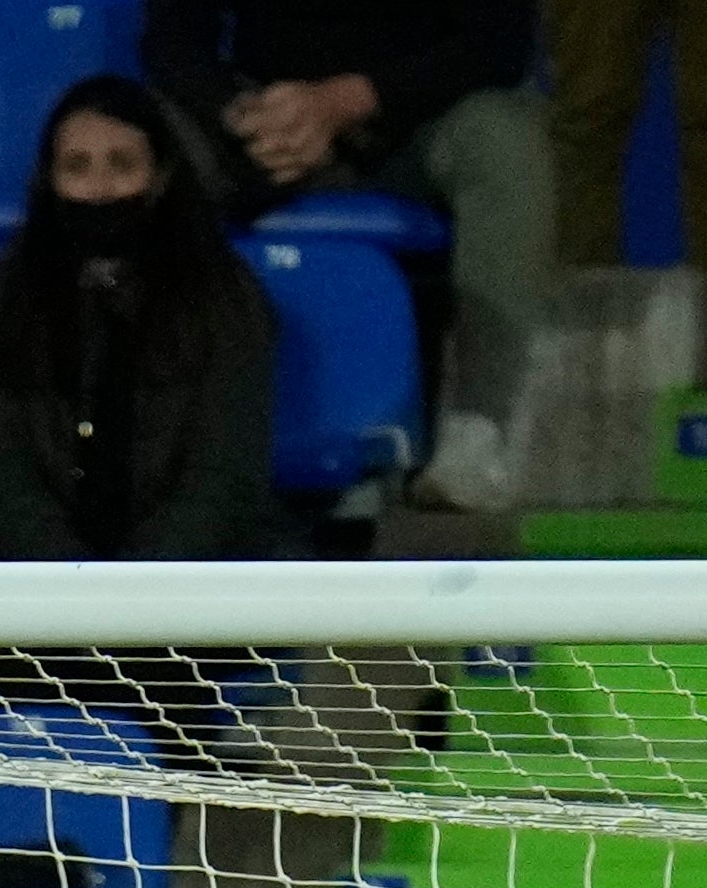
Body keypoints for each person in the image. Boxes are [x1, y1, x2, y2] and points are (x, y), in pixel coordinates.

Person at [145, 0, 551, 512]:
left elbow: (498, 47)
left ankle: (482, 431)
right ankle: (152, 420)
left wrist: (344, 103)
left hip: (410, 127)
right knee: (140, 137)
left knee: (505, 136)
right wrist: (249, 115)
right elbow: (172, 41)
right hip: (262, 126)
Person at [0, 77, 287, 564]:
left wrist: (135, 602)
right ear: (48, 179)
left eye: (123, 165)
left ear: (162, 175)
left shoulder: (227, 302)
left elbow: (223, 480)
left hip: (191, 599)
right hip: (36, 602)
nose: (100, 190)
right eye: (77, 167)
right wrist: (70, 593)